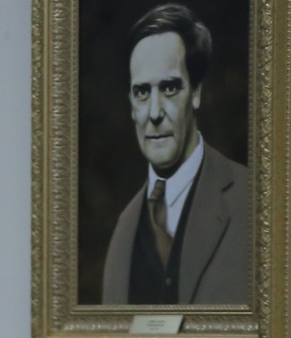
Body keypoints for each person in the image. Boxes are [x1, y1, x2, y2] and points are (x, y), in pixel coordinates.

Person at [101, 4, 250, 307]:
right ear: (131, 104)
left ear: (195, 93)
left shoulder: (255, 200)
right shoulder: (124, 231)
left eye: (169, 88)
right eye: (142, 92)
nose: (154, 113)